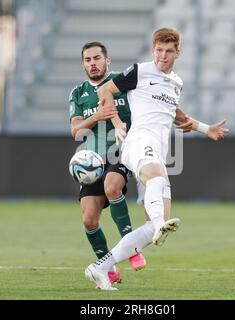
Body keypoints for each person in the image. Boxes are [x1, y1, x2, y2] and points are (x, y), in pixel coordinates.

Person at [84, 28, 229, 290]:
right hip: (139, 141)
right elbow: (104, 91)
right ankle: (162, 224)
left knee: (153, 228)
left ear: (177, 53)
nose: (163, 55)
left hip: (158, 150)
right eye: (159, 50)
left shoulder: (176, 83)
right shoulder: (140, 71)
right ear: (153, 50)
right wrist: (117, 123)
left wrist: (206, 129)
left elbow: (176, 114)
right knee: (156, 182)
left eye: (169, 51)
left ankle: (101, 268)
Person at [69, 42, 193, 285]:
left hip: (123, 151)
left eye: (97, 58)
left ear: (108, 60)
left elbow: (162, 101)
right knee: (89, 220)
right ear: (83, 63)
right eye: (87, 60)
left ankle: (132, 246)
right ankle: (108, 266)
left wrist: (188, 120)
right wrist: (97, 116)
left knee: (113, 186)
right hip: (92, 160)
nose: (93, 63)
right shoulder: (78, 93)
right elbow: (75, 130)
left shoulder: (122, 81)